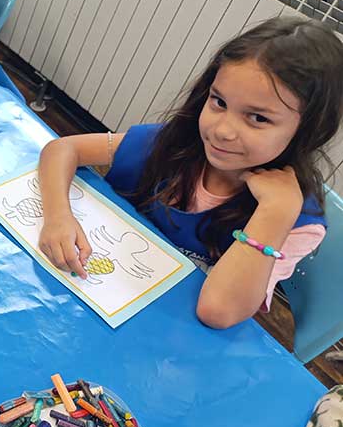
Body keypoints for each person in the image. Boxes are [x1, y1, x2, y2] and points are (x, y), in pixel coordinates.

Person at [35, 18, 343, 329]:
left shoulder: (296, 221)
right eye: (219, 101)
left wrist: (275, 214)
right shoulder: (170, 144)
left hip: (163, 333)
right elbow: (64, 149)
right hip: (83, 298)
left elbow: (218, 312)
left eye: (258, 118)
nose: (222, 131)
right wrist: (58, 217)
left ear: (310, 130)